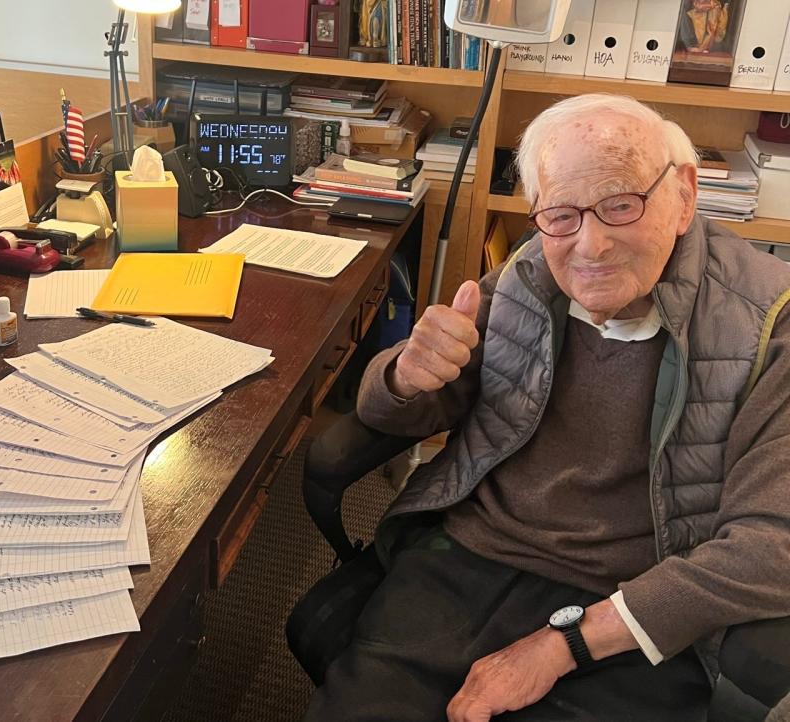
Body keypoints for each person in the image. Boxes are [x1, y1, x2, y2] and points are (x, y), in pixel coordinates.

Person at [303, 93, 790, 721]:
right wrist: (404, 375)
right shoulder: (527, 273)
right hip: (470, 556)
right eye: (560, 214)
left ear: (684, 196)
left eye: (621, 205)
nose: (590, 246)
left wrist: (563, 646)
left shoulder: (768, 328)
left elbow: (772, 547)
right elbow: (414, 411)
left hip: (641, 599)